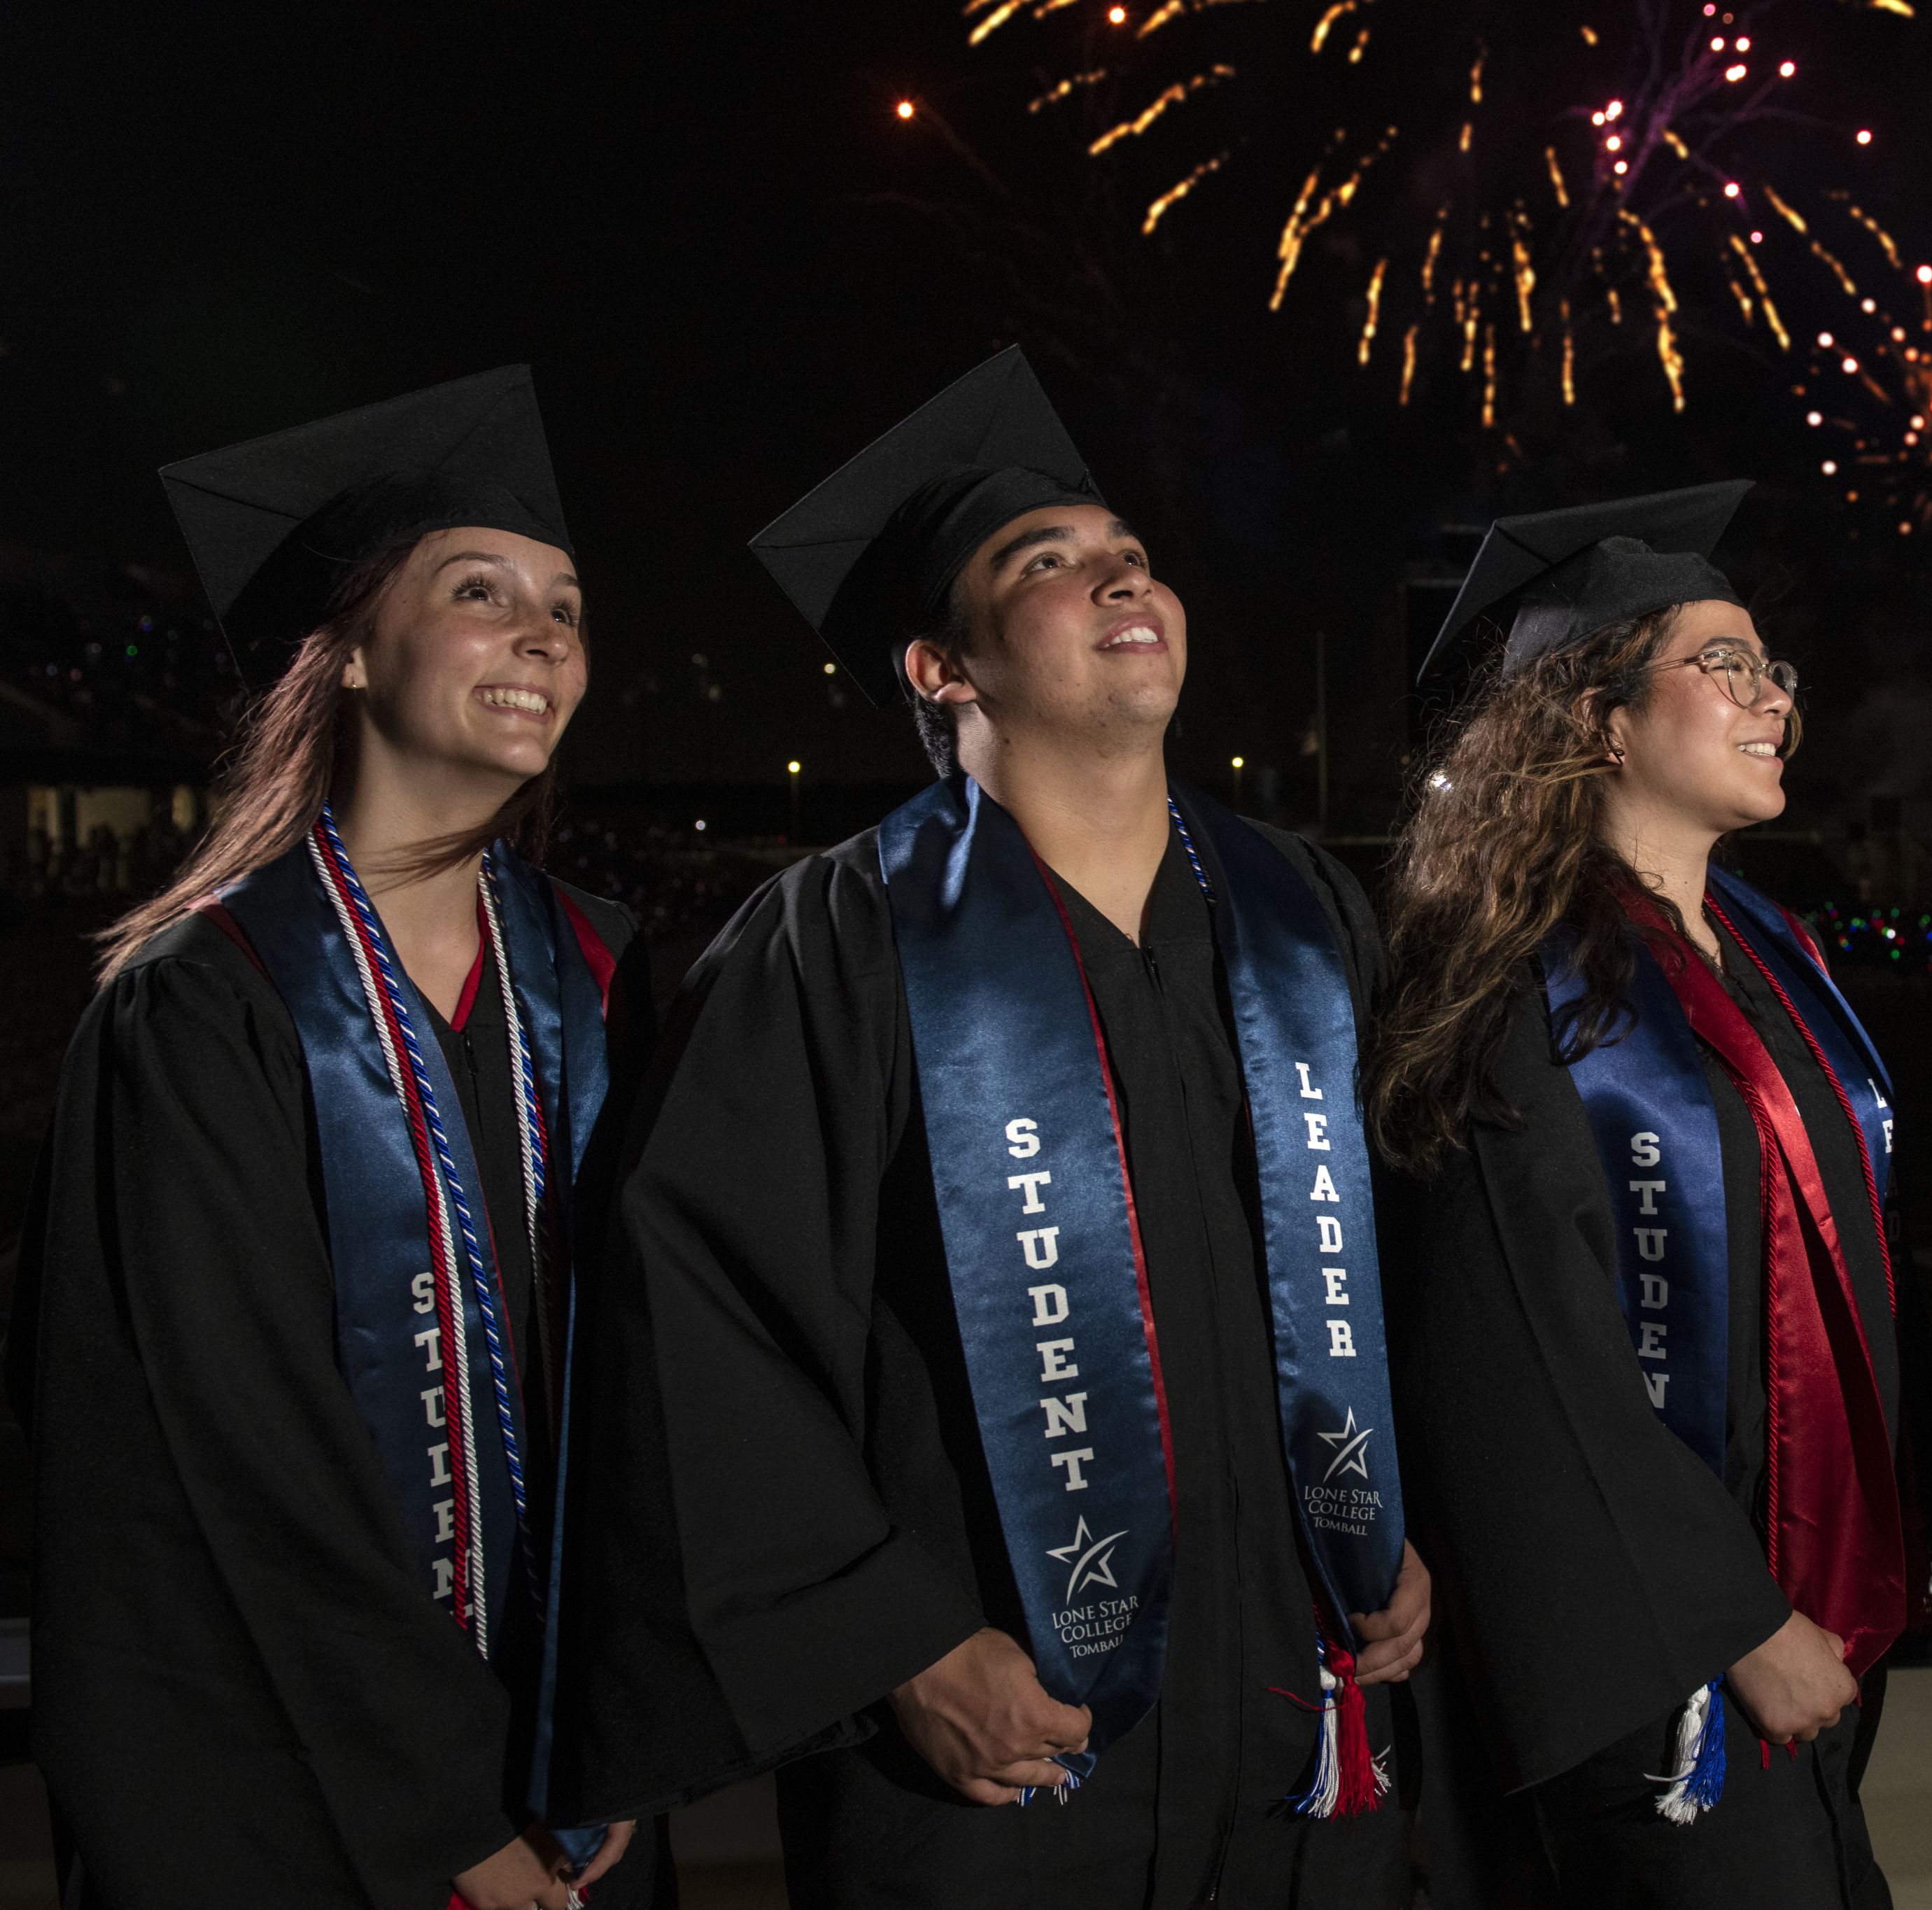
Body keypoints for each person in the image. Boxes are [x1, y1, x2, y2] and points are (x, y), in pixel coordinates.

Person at [562, 347, 1430, 1908]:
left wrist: (1387, 1516)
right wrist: (887, 1640)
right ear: (940, 670)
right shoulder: (830, 944)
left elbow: (1383, 1266)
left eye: (1132, 558)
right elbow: (703, 1320)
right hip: (997, 1741)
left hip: (1302, 1715)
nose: (1119, 581)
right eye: (1048, 565)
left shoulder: (1303, 916)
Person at [7, 368, 656, 1909]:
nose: (545, 633)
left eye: (564, 605)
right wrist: (447, 1801)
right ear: (354, 652)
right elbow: (222, 1446)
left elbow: (661, 1389)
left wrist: (623, 1728)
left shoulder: (611, 984)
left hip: (575, 1774)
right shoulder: (205, 1005)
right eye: (480, 591)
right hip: (286, 1786)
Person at [1369, 485, 1932, 1908]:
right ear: (1596, 718)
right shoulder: (1515, 985)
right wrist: (1731, 1618)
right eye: (1723, 664)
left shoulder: (1771, 959)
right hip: (1657, 1662)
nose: (1771, 701)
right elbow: (1519, 1362)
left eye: (1774, 670)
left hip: (1810, 1609)